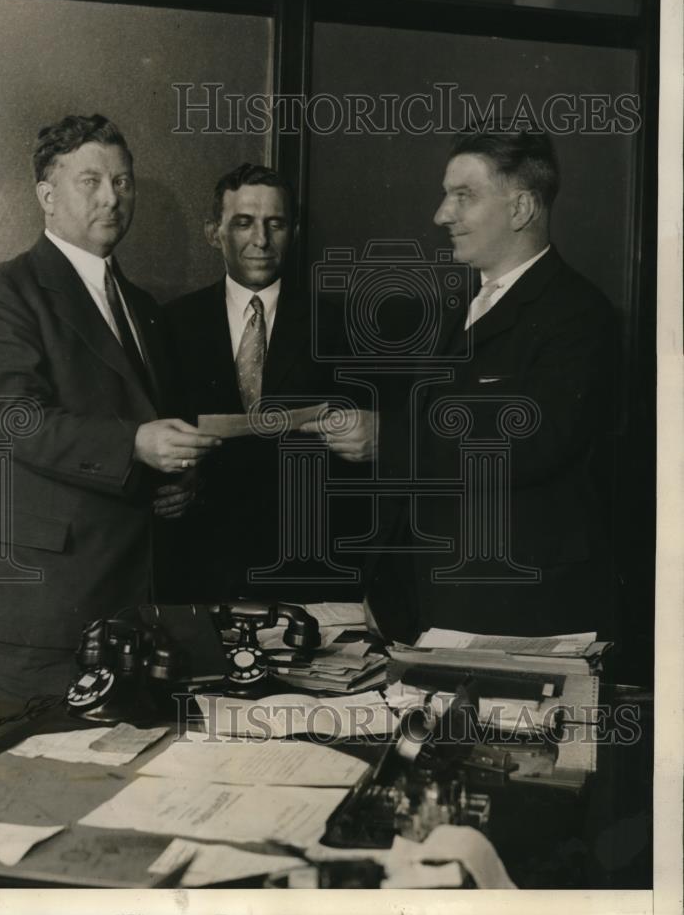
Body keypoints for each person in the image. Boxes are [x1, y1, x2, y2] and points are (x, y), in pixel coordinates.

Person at [0, 114, 220, 742]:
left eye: (124, 182)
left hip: (129, 605)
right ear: (47, 195)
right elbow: (16, 419)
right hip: (42, 608)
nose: (112, 198)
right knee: (28, 787)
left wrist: (180, 481)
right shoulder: (4, 293)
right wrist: (134, 445)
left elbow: (155, 432)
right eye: (91, 181)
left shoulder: (144, 308)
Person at [367, 128, 617, 643]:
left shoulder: (579, 314)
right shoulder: (462, 303)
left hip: (515, 609)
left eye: (464, 196)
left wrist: (386, 438)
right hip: (432, 600)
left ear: (522, 208)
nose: (442, 214)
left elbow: (527, 443)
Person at [162, 162, 377, 602]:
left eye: (275, 224)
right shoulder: (170, 324)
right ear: (213, 233)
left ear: (293, 233)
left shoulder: (340, 326)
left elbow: (366, 459)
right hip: (200, 566)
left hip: (309, 570)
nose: (261, 240)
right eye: (243, 223)